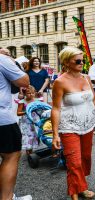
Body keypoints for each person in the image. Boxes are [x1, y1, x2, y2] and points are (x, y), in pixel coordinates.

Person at [51, 47, 95, 200]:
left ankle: (81, 187)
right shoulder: (60, 82)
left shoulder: (86, 78)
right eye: (77, 60)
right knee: (74, 162)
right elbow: (56, 109)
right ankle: (74, 195)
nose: (81, 63)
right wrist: (55, 134)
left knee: (85, 158)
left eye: (82, 60)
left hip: (88, 125)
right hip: (69, 126)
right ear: (66, 62)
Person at [0, 53, 32, 200]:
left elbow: (13, 88)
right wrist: (12, 62)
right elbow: (24, 81)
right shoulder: (2, 59)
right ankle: (7, 198)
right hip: (2, 119)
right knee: (11, 155)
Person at [17, 85, 40, 155]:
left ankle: (32, 151)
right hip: (26, 122)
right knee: (28, 136)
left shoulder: (37, 101)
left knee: (35, 135)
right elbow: (18, 113)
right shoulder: (22, 102)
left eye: (33, 93)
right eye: (29, 93)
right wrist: (26, 112)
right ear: (25, 94)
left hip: (35, 120)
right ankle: (28, 152)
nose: (31, 95)